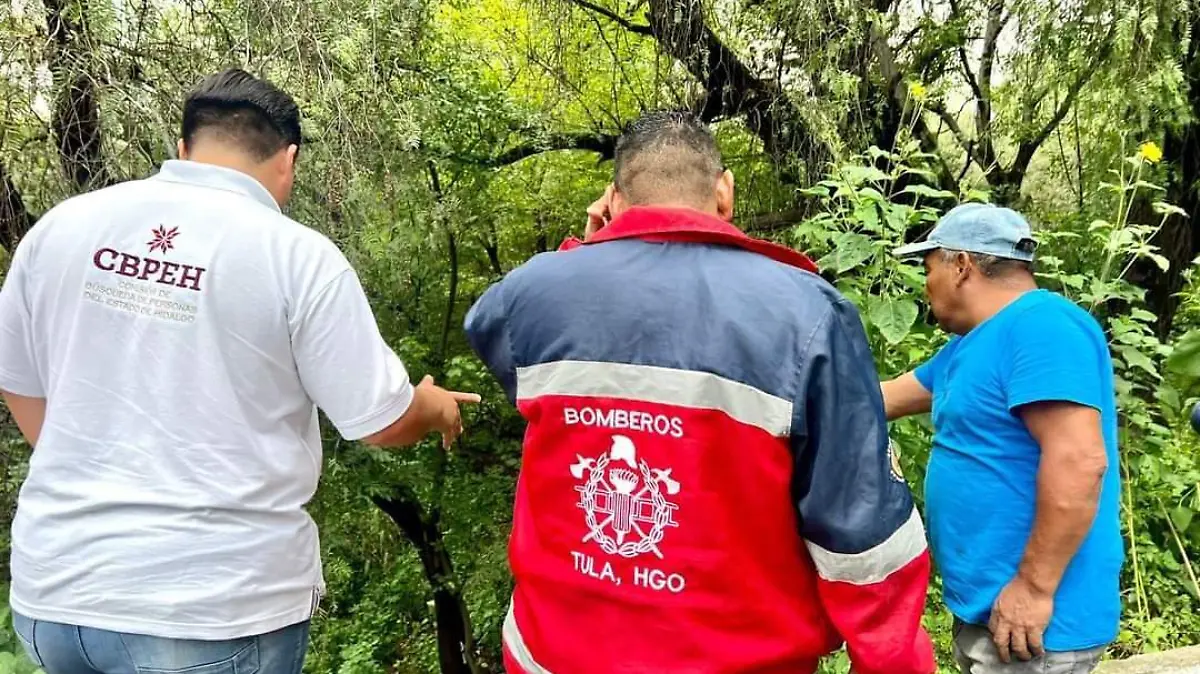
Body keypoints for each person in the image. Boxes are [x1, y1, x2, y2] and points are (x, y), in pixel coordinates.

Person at [0, 68, 478, 674]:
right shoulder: (296, 255)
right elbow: (381, 421)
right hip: (209, 609)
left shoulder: (63, 227)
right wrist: (434, 406)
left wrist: (101, 464)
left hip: (56, 596)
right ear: (289, 159)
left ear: (183, 148)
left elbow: (17, 380)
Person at [463, 110, 935, 674]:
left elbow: (493, 330)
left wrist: (584, 258)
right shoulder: (807, 316)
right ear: (724, 192)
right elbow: (865, 542)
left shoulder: (531, 295)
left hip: (550, 657)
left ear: (612, 201)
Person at [882, 203, 1123, 673]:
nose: (925, 284)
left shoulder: (1041, 328)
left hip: (1035, 625)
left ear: (961, 265)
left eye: (928, 269)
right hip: (990, 611)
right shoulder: (970, 346)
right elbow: (883, 399)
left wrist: (1033, 588)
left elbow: (1079, 461)